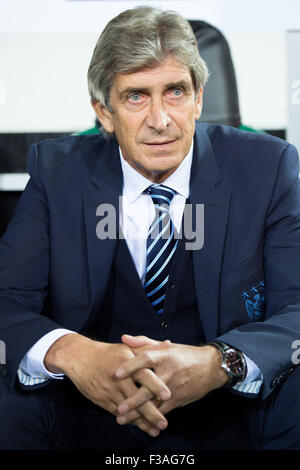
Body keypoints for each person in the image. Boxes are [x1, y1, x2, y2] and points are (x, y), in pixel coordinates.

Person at [1, 6, 300, 451]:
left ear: (199, 98)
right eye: (136, 96)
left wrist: (219, 362)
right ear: (103, 112)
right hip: (91, 410)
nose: (160, 120)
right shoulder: (56, 171)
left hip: (231, 410)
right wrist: (76, 355)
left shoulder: (268, 166)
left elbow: (295, 306)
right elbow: (8, 300)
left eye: (175, 92)